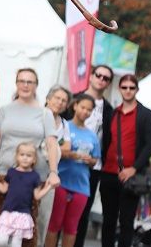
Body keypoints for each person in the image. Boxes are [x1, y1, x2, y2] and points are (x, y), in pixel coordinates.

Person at [0, 68, 60, 247]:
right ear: (16, 83)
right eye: (21, 81)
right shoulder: (5, 110)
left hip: (32, 177)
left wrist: (53, 172)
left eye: (30, 82)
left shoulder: (45, 113)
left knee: (26, 229)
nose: (25, 85)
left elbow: (51, 143)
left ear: (36, 86)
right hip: (4, 173)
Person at [99, 74, 151, 247]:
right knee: (108, 220)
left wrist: (134, 168)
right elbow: (106, 141)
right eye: (124, 87)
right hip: (108, 173)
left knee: (126, 222)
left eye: (131, 88)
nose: (128, 91)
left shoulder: (145, 114)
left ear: (137, 90)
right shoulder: (112, 113)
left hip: (132, 176)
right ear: (119, 89)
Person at [68, 64, 114, 247]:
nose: (101, 79)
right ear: (91, 76)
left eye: (106, 78)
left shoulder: (109, 109)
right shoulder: (74, 98)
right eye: (99, 75)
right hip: (67, 161)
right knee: (59, 211)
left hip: (91, 167)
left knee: (82, 213)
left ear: (109, 83)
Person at [46, 93, 100, 247]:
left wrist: (90, 161)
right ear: (75, 106)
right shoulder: (64, 126)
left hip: (81, 185)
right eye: (83, 107)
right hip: (61, 182)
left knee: (71, 228)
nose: (85, 112)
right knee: (54, 224)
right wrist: (71, 154)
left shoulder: (92, 136)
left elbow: (96, 159)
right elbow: (53, 150)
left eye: (89, 110)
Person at [0, 143, 54, 247]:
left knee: (16, 244)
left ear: (34, 159)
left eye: (29, 156)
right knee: (1, 241)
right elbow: (4, 189)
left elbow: (37, 196)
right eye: (22, 154)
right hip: (8, 212)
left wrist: (48, 187)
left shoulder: (34, 176)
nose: (25, 158)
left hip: (23, 214)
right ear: (17, 156)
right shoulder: (11, 173)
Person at [41, 85, 72, 241]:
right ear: (48, 98)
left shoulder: (64, 124)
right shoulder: (38, 115)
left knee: (44, 218)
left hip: (51, 173)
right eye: (57, 98)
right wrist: (55, 147)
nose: (60, 102)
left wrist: (50, 145)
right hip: (33, 170)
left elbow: (67, 147)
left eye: (64, 100)